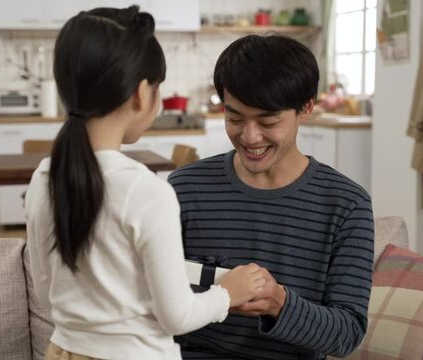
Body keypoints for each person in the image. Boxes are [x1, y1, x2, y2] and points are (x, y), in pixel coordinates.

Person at [24, 7, 268, 360]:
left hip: (62, 351)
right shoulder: (146, 190)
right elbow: (178, 317)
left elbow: (47, 294)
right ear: (141, 94)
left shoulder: (43, 178)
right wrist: (228, 293)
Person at [169, 35, 375, 360]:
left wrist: (279, 303)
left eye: (268, 121)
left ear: (306, 107)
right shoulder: (184, 188)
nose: (250, 137)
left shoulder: (347, 205)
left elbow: (345, 334)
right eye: (235, 118)